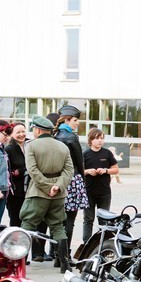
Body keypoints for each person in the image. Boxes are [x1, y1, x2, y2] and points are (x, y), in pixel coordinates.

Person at [20, 115, 74, 273]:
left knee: (27, 225)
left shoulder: (31, 146)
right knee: (58, 226)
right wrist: (57, 186)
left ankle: (20, 263)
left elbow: (32, 170)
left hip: (38, 192)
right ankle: (65, 264)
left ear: (37, 130)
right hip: (58, 194)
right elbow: (69, 170)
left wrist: (46, 186)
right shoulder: (62, 146)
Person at [53, 105, 86, 260]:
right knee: (70, 222)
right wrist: (83, 182)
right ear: (66, 120)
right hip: (73, 181)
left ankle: (57, 255)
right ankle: (64, 256)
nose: (77, 123)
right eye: (75, 120)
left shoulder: (56, 136)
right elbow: (80, 163)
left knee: (59, 221)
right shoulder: (72, 137)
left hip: (58, 181)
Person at [82, 128, 119, 242]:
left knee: (103, 219)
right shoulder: (85, 154)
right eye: (97, 138)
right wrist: (88, 171)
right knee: (88, 219)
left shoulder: (107, 153)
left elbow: (116, 169)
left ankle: (102, 243)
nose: (100, 141)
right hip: (89, 192)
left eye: (102, 138)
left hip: (104, 192)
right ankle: (86, 244)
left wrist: (106, 170)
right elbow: (79, 171)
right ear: (91, 140)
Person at [5, 122, 28, 228]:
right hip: (15, 192)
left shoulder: (30, 145)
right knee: (15, 220)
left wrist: (22, 170)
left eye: (23, 131)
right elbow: (8, 170)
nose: (21, 134)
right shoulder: (9, 149)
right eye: (18, 132)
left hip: (29, 190)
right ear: (12, 134)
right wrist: (21, 171)